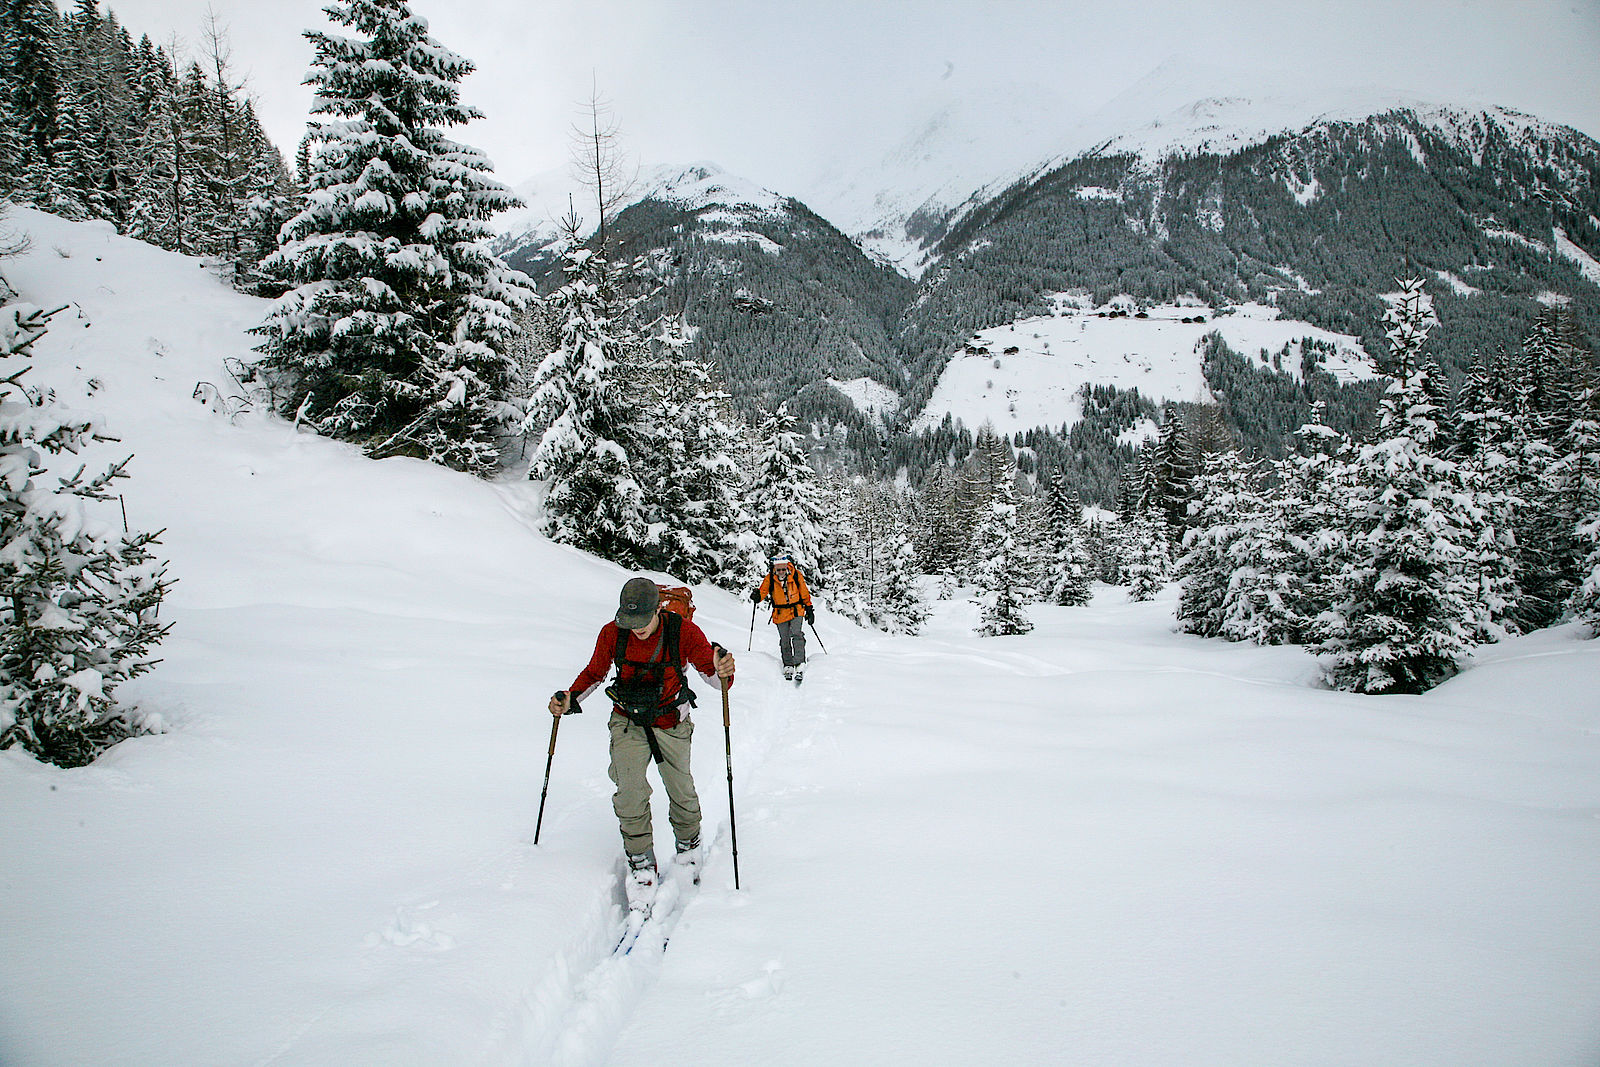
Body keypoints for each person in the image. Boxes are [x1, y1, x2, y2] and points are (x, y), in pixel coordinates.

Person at [549, 577, 735, 900]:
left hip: (670, 720)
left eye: (642, 621)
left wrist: (723, 670)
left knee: (681, 789)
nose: (636, 628)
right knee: (630, 792)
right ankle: (640, 861)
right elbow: (595, 672)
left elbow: (713, 674)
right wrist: (570, 697)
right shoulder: (613, 633)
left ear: (657, 611)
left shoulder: (682, 632)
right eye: (629, 621)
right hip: (627, 719)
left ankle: (689, 845)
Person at [751, 552, 813, 680]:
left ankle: (799, 662)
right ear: (774, 568)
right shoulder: (770, 578)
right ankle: (788, 664)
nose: (781, 572)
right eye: (778, 569)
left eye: (783, 569)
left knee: (797, 634)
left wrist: (809, 608)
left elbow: (804, 592)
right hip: (780, 613)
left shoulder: (796, 575)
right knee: (784, 639)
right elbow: (763, 591)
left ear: (787, 567)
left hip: (797, 610)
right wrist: (757, 596)